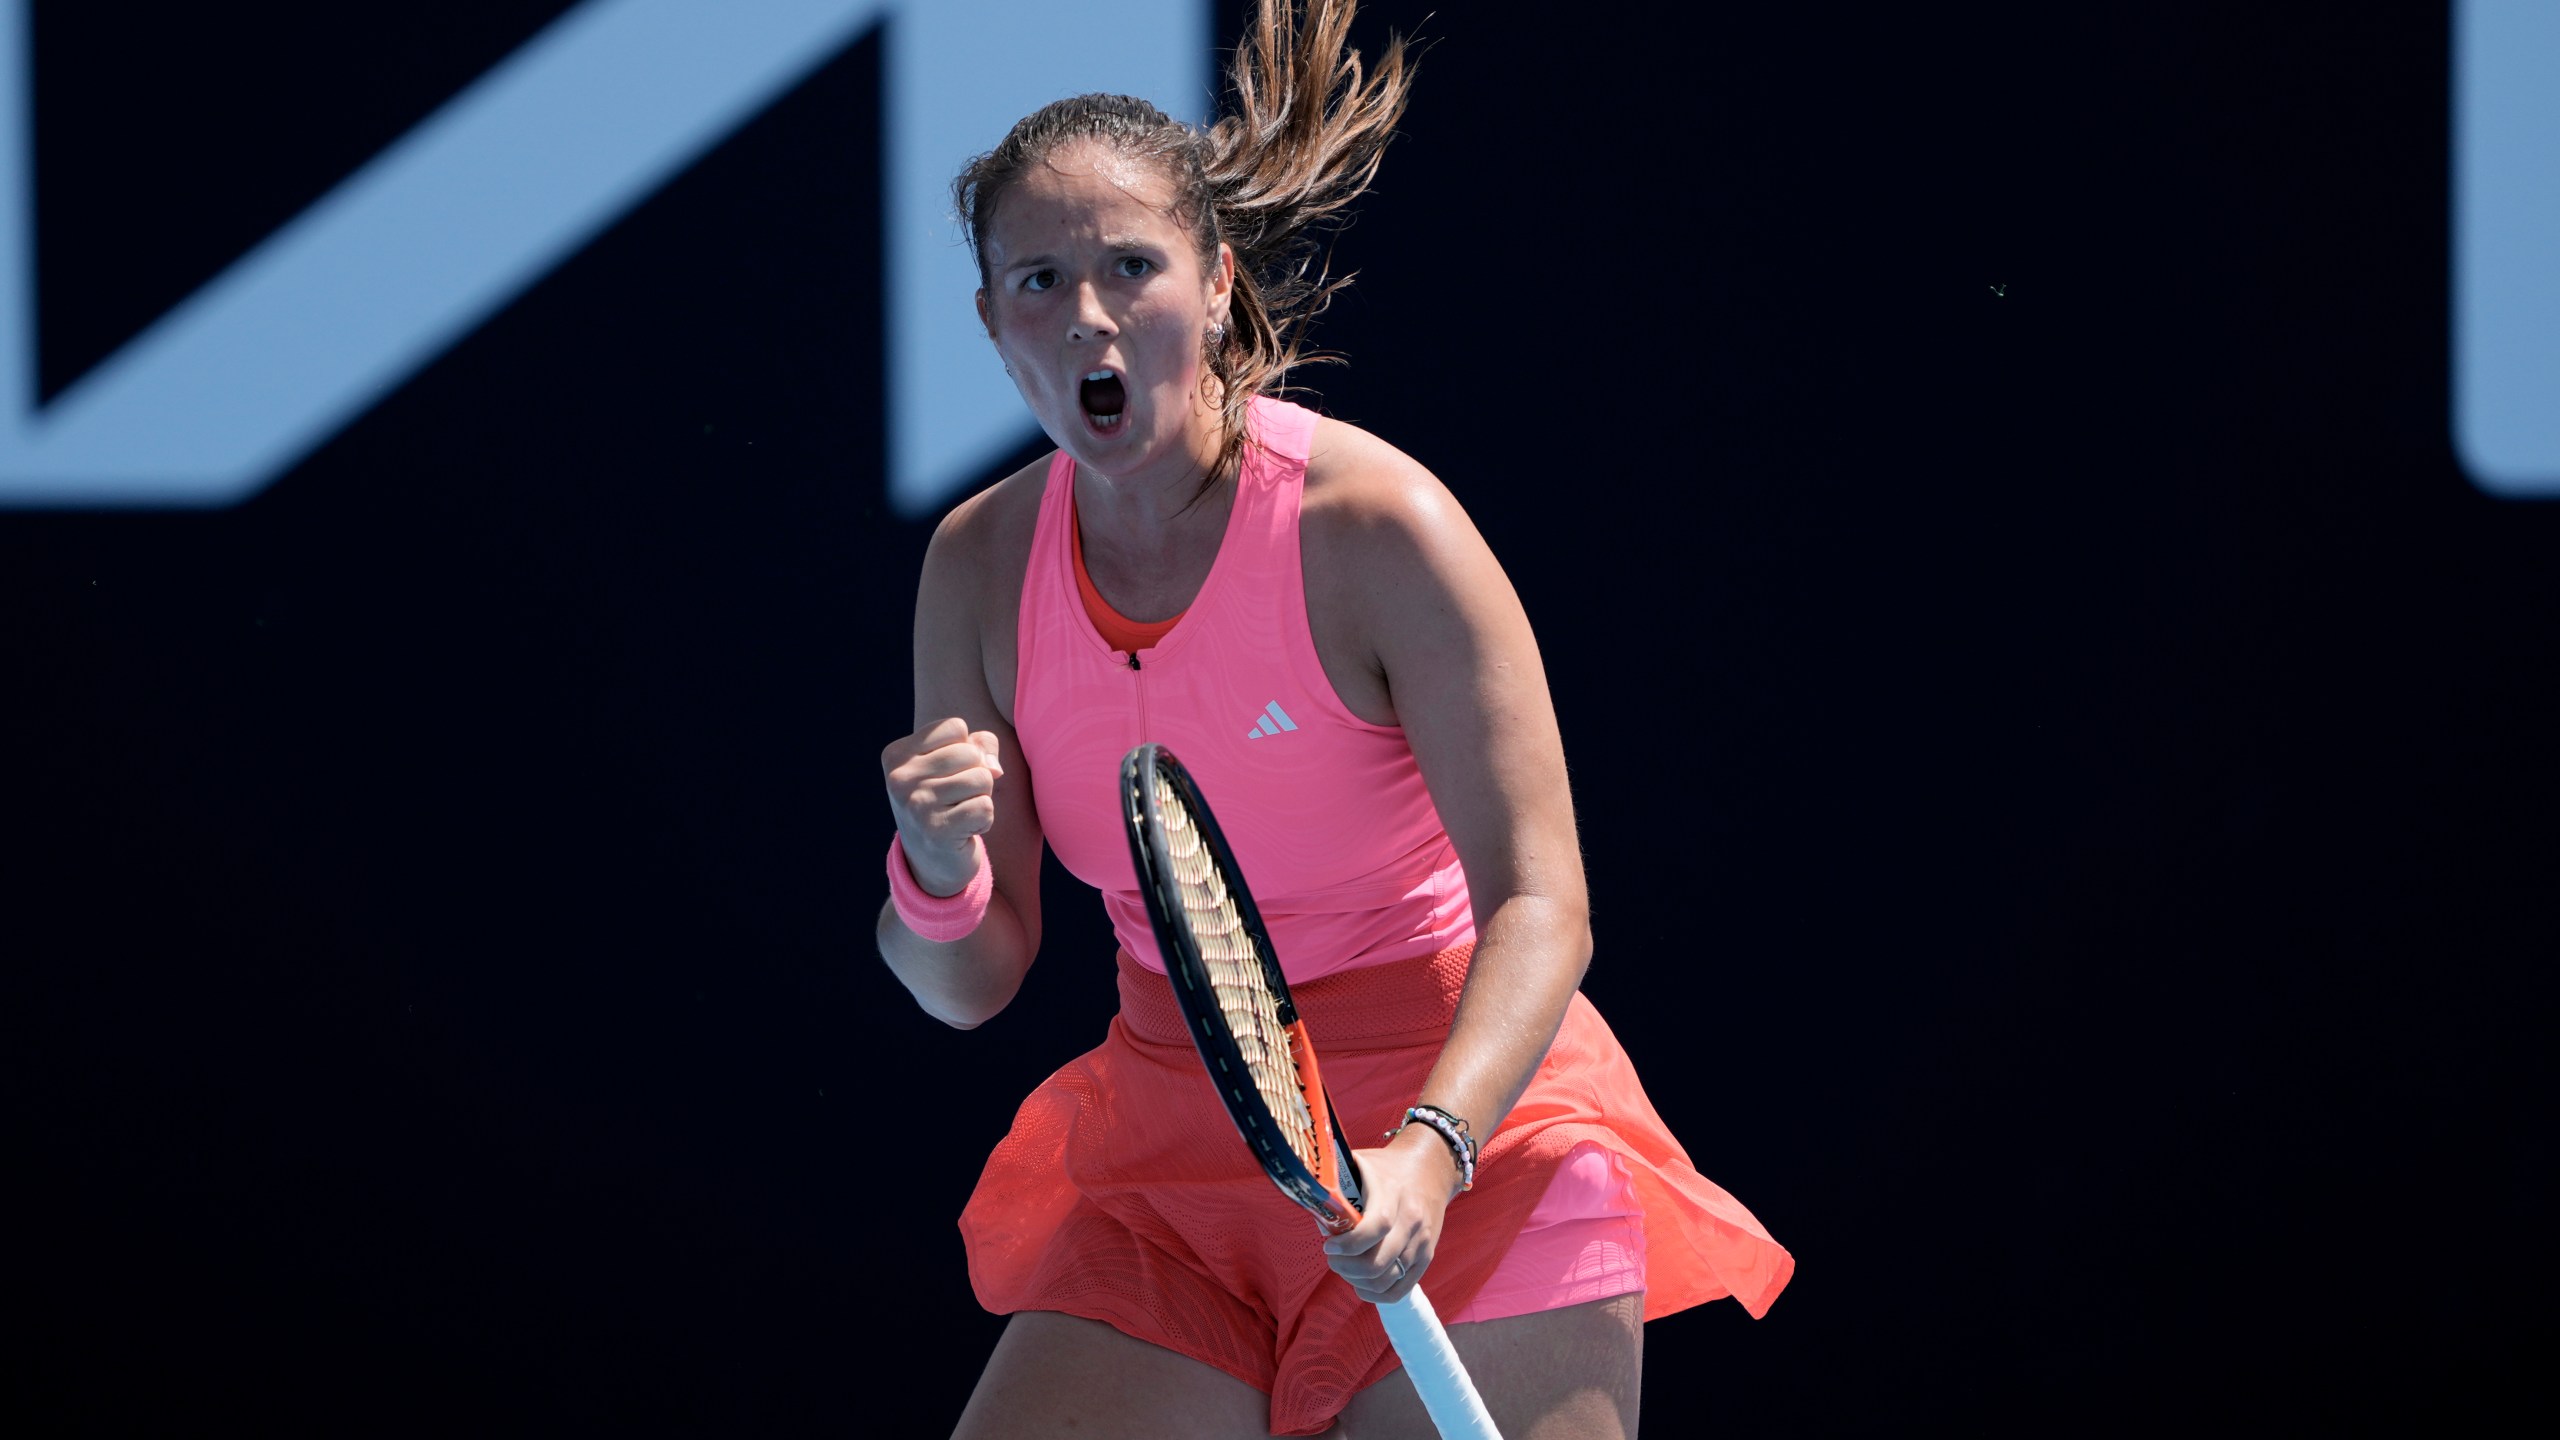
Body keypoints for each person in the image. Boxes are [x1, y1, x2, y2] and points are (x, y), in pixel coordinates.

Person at [877, 4, 1791, 1434]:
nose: (1092, 317)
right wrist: (937, 877)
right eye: (1041, 281)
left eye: (1133, 266)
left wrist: (1432, 1151)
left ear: (1218, 280)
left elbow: (1542, 903)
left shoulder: (1378, 528)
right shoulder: (976, 565)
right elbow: (971, 982)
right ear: (996, 327)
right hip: (1177, 1151)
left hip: (1473, 1127)